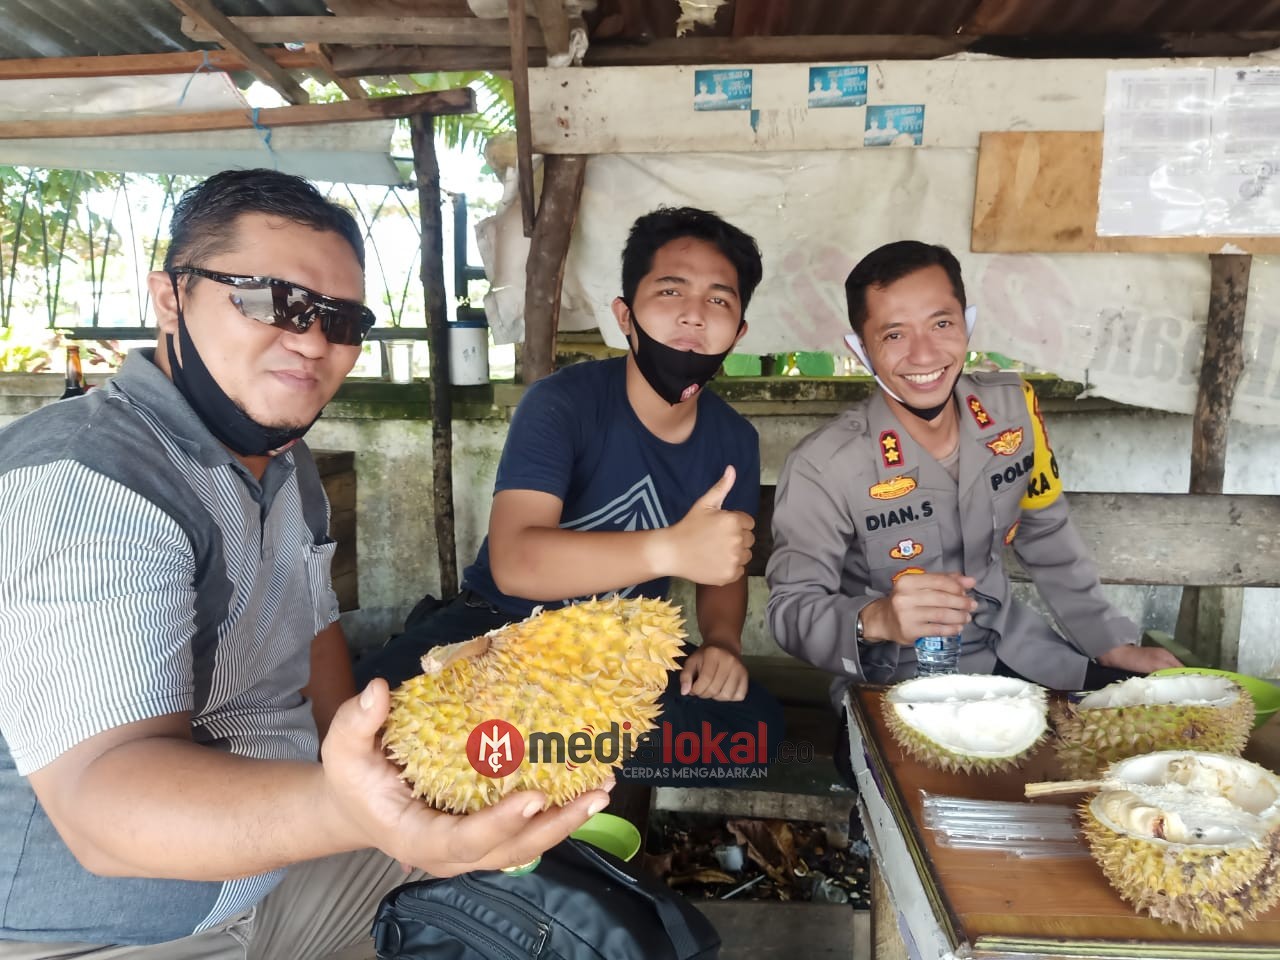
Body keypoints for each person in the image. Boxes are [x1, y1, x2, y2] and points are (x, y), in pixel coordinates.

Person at [0, 169, 607, 958]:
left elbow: (313, 629)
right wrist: (357, 811)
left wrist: (377, 779)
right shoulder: (89, 480)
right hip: (114, 924)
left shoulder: (284, 461)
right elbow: (104, 804)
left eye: (341, 319)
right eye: (272, 300)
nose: (314, 339)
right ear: (169, 297)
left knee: (543, 904)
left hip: (280, 868)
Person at [358, 206, 784, 784]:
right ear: (624, 316)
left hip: (618, 654)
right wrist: (666, 552)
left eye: (718, 301)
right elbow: (514, 564)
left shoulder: (733, 438)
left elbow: (724, 567)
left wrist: (724, 646)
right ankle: (552, 753)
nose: (692, 314)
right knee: (371, 709)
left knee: (752, 735)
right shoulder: (562, 403)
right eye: (670, 290)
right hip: (499, 631)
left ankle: (522, 753)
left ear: (738, 333)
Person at [766, 240, 1181, 701]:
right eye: (894, 335)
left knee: (1155, 720)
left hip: (1022, 655)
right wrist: (877, 619)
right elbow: (790, 610)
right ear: (861, 349)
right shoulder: (823, 465)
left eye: (941, 323)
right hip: (894, 686)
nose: (924, 355)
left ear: (967, 324)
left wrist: (1109, 642)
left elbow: (1045, 533)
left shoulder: (1013, 411)